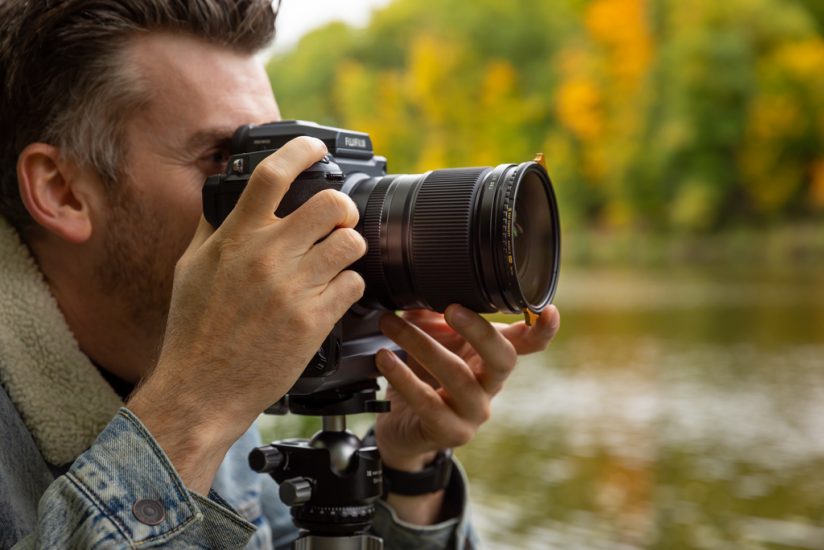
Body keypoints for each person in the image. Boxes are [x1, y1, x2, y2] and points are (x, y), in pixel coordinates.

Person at [0, 1, 560, 548]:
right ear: (63, 191)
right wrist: (192, 410)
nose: (294, 203)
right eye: (231, 162)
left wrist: (407, 470)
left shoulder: (214, 375)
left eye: (285, 160)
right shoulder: (205, 388)